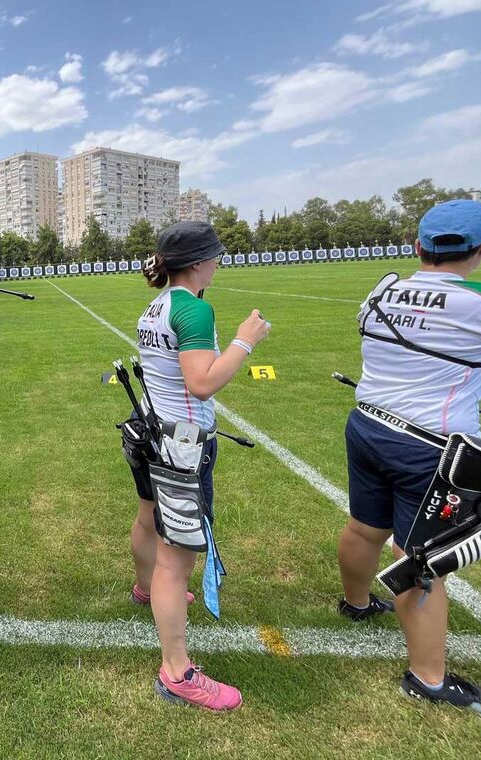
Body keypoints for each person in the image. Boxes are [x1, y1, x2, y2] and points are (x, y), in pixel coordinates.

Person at [338, 200, 481, 715]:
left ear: (417, 246)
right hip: (431, 447)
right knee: (422, 560)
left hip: (367, 423)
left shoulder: (381, 289)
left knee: (365, 527)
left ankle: (357, 603)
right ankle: (428, 679)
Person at [126, 221, 270, 711]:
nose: (219, 263)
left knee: (148, 517)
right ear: (198, 263)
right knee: (177, 559)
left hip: (153, 433)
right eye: (216, 256)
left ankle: (146, 591)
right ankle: (177, 673)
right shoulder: (193, 307)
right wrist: (246, 340)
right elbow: (202, 383)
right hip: (181, 446)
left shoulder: (158, 303)